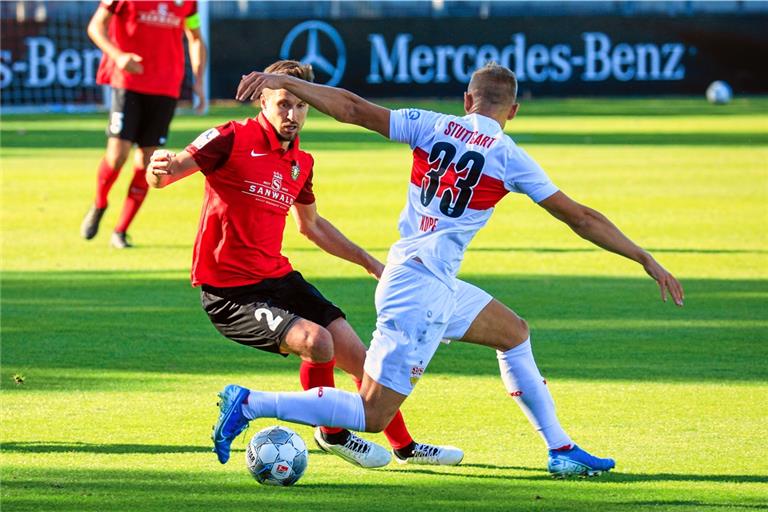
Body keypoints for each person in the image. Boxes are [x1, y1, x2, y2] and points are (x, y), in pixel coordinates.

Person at [213, 62, 686, 478]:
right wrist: (643, 256)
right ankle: (250, 402)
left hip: (425, 279)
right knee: (373, 414)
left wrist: (276, 79)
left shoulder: (430, 124)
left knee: (514, 333)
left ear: (466, 101)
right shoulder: (508, 155)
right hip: (419, 291)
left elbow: (353, 108)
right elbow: (581, 217)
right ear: (514, 110)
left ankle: (560, 449)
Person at [146, 60, 463, 469]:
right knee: (317, 343)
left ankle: (405, 446)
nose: (292, 115)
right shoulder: (230, 137)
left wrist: (370, 262)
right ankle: (332, 433)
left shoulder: (301, 162)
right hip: (230, 292)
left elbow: (311, 227)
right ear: (262, 100)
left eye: (300, 105)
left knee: (360, 360)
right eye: (282, 104)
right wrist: (158, 169)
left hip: (278, 278)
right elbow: (168, 174)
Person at [81, 0, 207, 249]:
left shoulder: (187, 3)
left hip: (166, 88)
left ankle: (121, 230)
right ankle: (99, 202)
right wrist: (117, 56)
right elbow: (96, 27)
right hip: (128, 83)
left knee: (148, 162)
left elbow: (194, 37)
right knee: (117, 156)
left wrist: (199, 80)